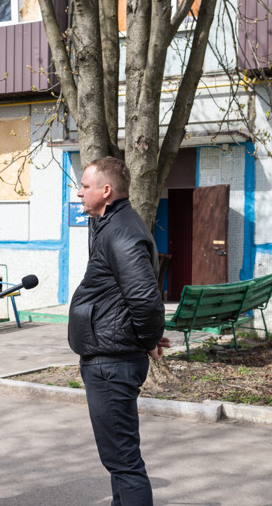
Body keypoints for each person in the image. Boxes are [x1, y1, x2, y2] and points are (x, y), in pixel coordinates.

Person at [68, 156, 170, 506]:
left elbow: (145, 299)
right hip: (111, 357)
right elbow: (126, 296)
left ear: (106, 190)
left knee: (124, 462)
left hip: (112, 363)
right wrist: (147, 338)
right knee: (118, 460)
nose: (79, 192)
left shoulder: (121, 230)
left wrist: (147, 339)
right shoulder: (112, 224)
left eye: (85, 186)